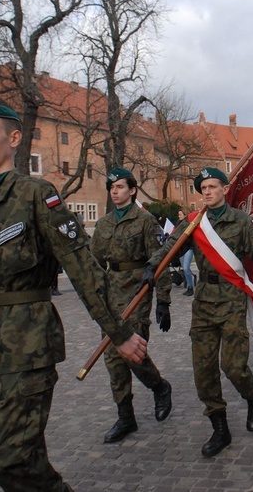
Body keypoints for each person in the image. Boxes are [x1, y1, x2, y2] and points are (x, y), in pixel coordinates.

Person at [0, 101, 147, 492]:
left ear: (13, 137)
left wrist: (119, 332)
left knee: (7, 462)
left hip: (28, 348)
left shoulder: (37, 195)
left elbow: (82, 269)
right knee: (24, 459)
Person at [144, 166, 253, 458]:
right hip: (204, 304)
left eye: (213, 186)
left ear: (224, 189)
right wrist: (152, 265)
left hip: (233, 300)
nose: (207, 191)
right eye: (203, 188)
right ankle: (219, 427)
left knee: (233, 366)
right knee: (204, 371)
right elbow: (170, 247)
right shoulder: (194, 223)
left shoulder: (241, 221)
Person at [90, 167, 173, 444]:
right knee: (112, 358)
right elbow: (94, 264)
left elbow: (160, 261)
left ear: (132, 190)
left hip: (137, 292)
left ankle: (159, 386)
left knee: (133, 352)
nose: (115, 192)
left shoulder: (146, 221)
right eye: (111, 188)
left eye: (120, 187)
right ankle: (125, 416)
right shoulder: (103, 224)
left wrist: (163, 301)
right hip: (111, 296)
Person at [176, 209, 196, 296]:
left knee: (186, 267)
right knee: (184, 269)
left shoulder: (190, 223)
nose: (179, 216)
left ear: (185, 215)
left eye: (180, 215)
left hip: (189, 248)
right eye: (178, 214)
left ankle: (191, 287)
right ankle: (189, 285)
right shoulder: (178, 224)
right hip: (181, 248)